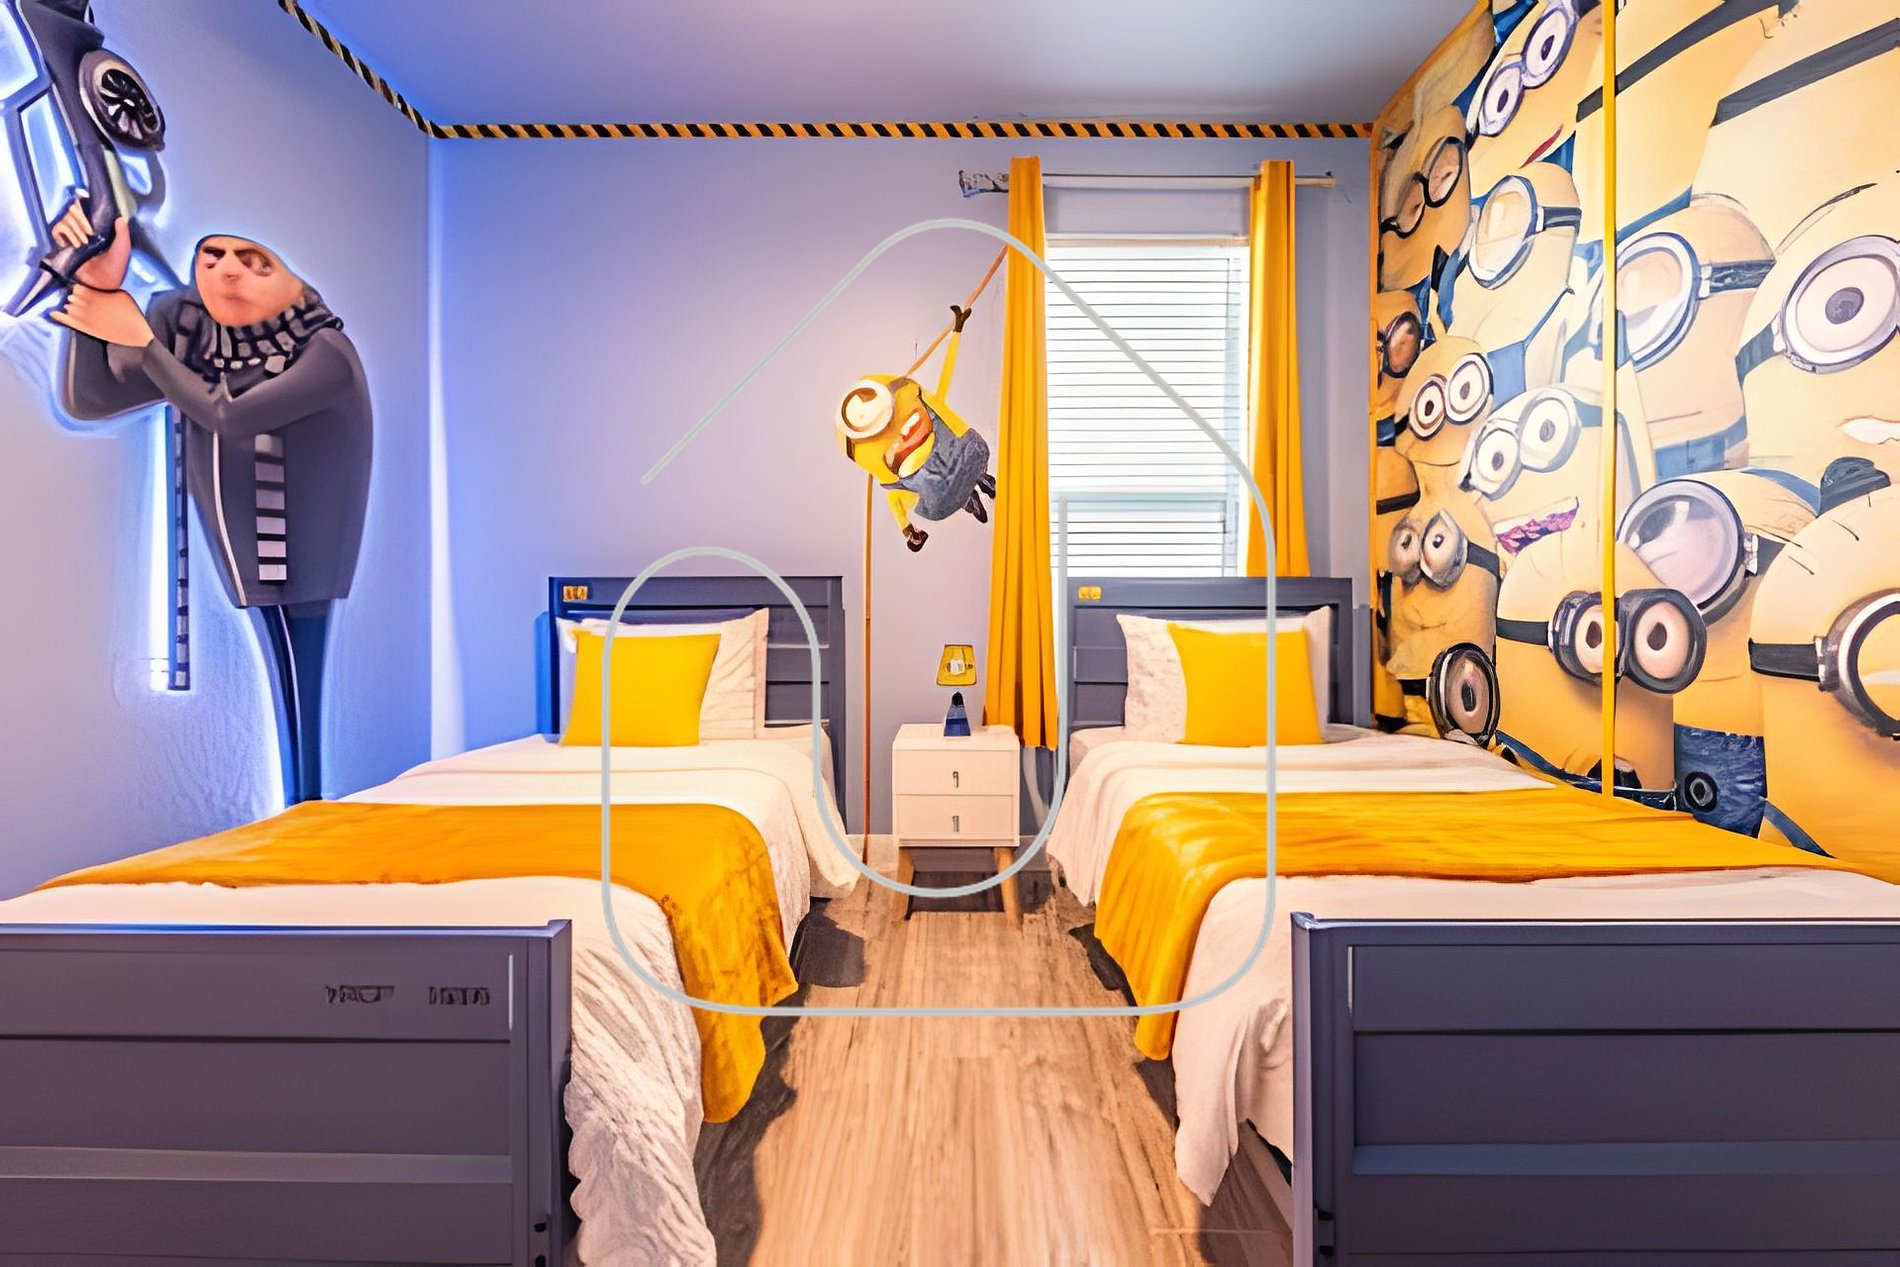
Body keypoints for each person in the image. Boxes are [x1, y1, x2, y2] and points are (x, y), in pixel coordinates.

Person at [48, 208, 372, 802]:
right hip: (243, 551)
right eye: (212, 256)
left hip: (307, 558)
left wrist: (143, 342)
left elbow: (228, 415)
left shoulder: (329, 353)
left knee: (299, 693)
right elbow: (90, 400)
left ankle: (306, 811)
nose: (227, 272)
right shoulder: (194, 336)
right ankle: (302, 813)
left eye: (253, 261)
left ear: (295, 283)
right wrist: (94, 293)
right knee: (288, 693)